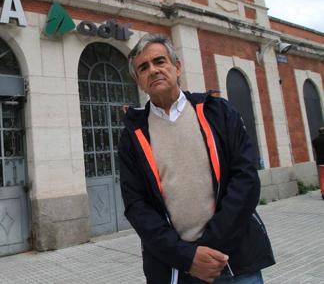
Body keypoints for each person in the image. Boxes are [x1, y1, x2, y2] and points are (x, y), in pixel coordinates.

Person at [118, 34, 275, 284]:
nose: (154, 70)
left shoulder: (217, 111)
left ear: (177, 67)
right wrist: (187, 257)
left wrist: (208, 249)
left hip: (234, 260)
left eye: (160, 61)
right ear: (138, 80)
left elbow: (245, 180)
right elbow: (136, 206)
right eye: (143, 67)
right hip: (176, 268)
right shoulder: (132, 135)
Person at [311, 127, 324, 200]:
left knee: (322, 178)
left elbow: (314, 149)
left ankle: (323, 193)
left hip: (321, 162)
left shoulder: (315, 140)